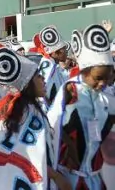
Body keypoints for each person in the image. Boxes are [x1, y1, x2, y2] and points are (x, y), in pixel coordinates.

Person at [0, 48, 71, 190]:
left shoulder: (29, 108)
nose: (43, 79)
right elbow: (27, 157)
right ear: (28, 83)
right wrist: (56, 176)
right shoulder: (24, 114)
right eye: (38, 76)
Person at [48, 24, 115, 189]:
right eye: (98, 78)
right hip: (70, 176)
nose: (102, 84)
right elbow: (51, 125)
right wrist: (69, 144)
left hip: (96, 176)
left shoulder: (107, 94)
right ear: (84, 71)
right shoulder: (71, 90)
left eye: (107, 78)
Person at [33, 25, 69, 107]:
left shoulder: (54, 66)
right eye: (64, 49)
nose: (67, 52)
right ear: (55, 53)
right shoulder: (49, 67)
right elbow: (42, 96)